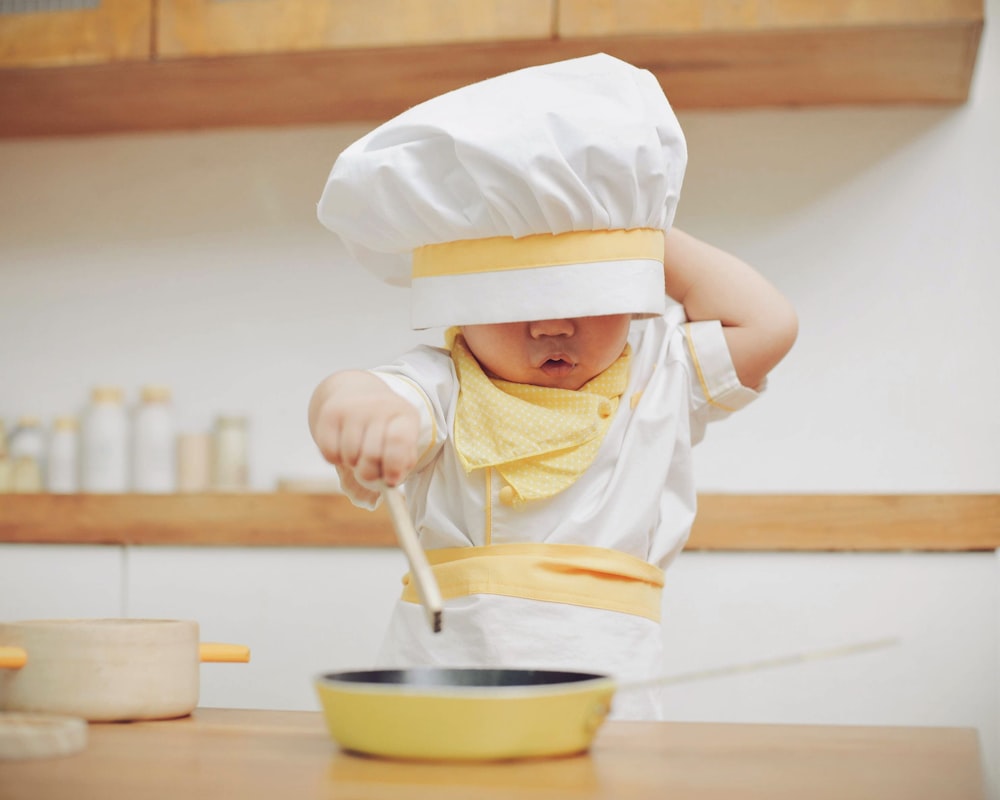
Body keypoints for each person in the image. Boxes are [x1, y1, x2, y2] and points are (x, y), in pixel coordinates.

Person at [308, 54, 797, 720]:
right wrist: (352, 406)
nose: (551, 322)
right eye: (511, 297)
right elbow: (363, 391)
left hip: (611, 703)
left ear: (635, 284)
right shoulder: (443, 384)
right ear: (457, 304)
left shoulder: (660, 374)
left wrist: (632, 220)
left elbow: (769, 324)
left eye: (589, 291)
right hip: (444, 690)